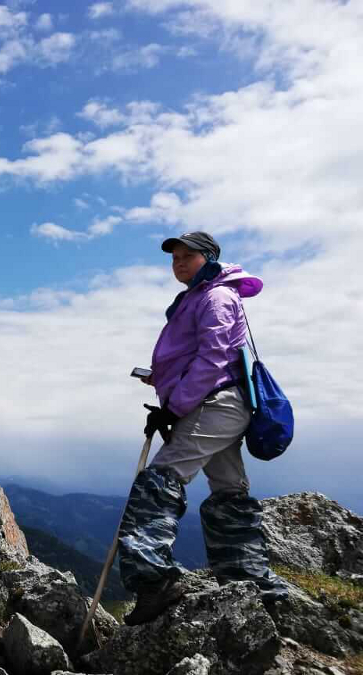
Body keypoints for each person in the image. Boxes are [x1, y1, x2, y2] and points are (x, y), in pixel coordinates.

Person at [118, 231, 286, 626]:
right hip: (217, 404)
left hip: (213, 406)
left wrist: (173, 406)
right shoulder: (203, 296)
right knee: (229, 491)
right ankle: (251, 581)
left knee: (158, 481)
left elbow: (213, 359)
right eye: (174, 257)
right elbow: (203, 356)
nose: (178, 262)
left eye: (187, 256)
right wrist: (160, 379)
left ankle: (153, 581)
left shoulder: (216, 297)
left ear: (208, 258)